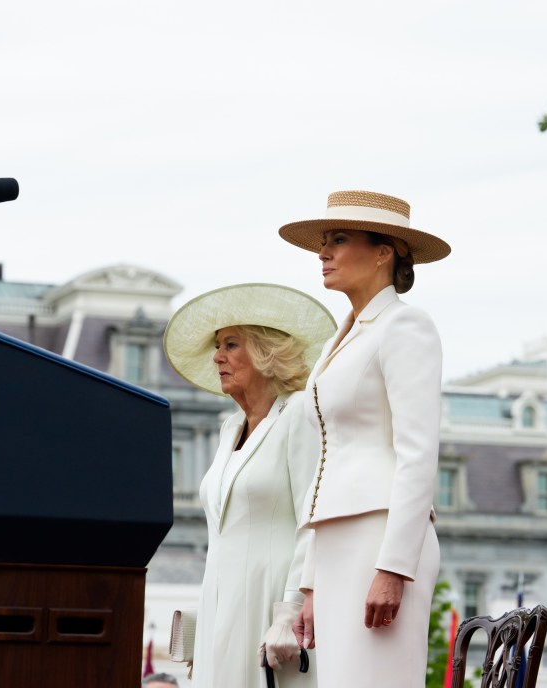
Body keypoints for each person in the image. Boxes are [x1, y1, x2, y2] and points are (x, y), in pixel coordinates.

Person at [277, 190, 450, 688]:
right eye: (325, 241)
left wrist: (395, 567)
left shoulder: (404, 326)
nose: (323, 253)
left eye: (339, 240)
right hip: (335, 542)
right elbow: (327, 463)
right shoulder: (341, 338)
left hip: (381, 537)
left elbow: (418, 454)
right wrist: (309, 583)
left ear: (384, 251)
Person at [163, 283, 337, 687]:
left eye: (231, 344)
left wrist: (289, 612)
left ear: (265, 352)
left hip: (271, 606)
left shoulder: (299, 415)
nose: (217, 356)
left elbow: (314, 520)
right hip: (219, 608)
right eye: (218, 346)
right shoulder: (229, 428)